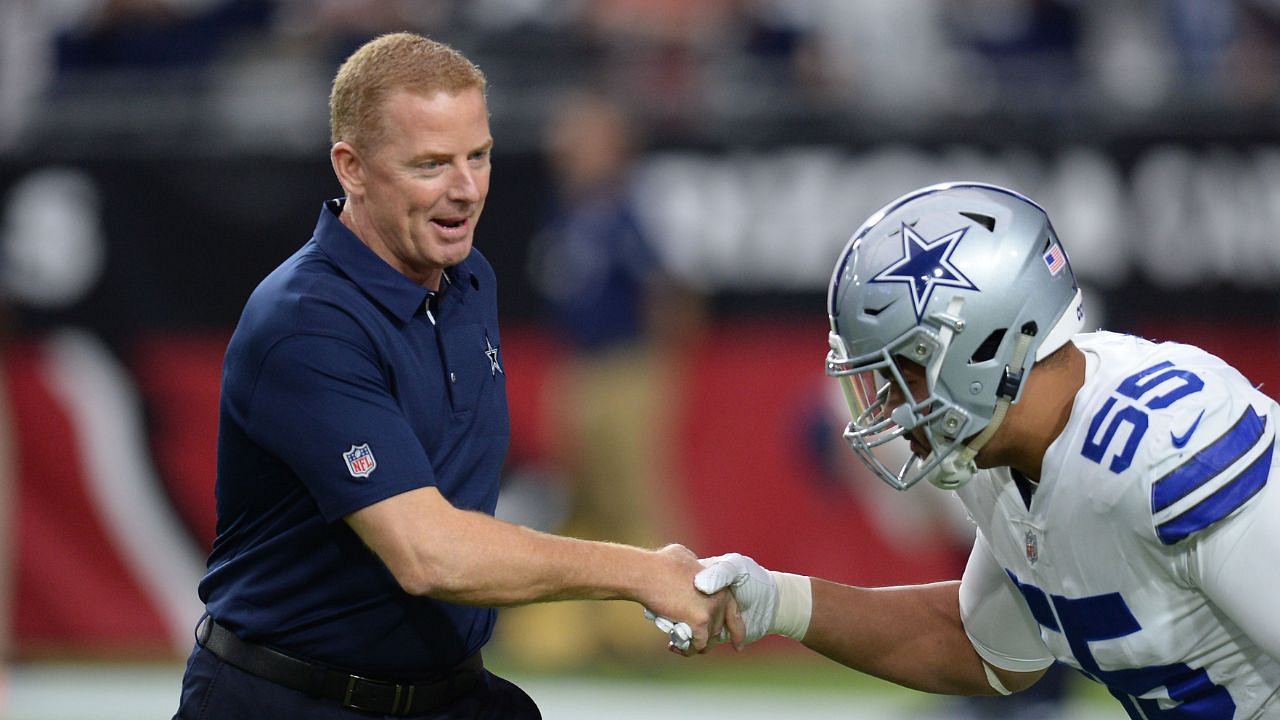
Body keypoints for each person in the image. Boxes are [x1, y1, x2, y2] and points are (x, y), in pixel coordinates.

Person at [173, 32, 737, 720]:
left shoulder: (469, 279)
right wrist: (643, 573)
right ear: (350, 167)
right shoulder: (307, 322)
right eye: (432, 163)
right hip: (295, 700)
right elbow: (429, 554)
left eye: (480, 156)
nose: (466, 189)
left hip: (447, 693)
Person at [670, 182, 1280, 718]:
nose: (886, 405)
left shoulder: (1169, 446)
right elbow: (984, 649)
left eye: (903, 372)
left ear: (986, 347)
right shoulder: (1004, 450)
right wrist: (778, 600)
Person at [497, 90, 705, 669]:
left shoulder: (629, 210)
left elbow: (670, 295)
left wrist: (658, 373)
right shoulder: (566, 210)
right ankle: (595, 628)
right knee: (581, 495)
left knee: (634, 492)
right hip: (579, 365)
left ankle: (680, 617)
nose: (564, 147)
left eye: (580, 136)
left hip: (626, 366)